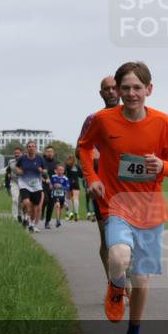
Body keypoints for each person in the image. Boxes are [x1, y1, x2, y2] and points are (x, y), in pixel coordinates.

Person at [79, 62, 168, 334]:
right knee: (119, 256)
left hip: (150, 207)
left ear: (149, 89)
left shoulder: (162, 122)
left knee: (141, 277)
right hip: (115, 204)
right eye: (125, 88)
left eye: (137, 88)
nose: (131, 93)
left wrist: (163, 167)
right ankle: (115, 284)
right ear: (117, 91)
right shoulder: (103, 120)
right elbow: (84, 148)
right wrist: (93, 179)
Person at [77, 75, 120, 276]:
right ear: (101, 93)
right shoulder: (93, 120)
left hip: (130, 187)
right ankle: (114, 282)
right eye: (106, 89)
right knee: (108, 239)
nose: (111, 91)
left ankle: (125, 276)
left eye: (114, 87)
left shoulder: (133, 117)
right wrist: (96, 156)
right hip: (103, 188)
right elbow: (82, 149)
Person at [17, 141, 46, 232]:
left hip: (36, 185)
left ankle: (31, 224)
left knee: (34, 207)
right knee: (26, 202)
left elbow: (45, 170)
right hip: (24, 184)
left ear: (35, 148)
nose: (31, 148)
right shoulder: (22, 158)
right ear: (27, 148)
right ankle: (25, 216)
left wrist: (42, 170)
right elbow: (17, 167)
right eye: (29, 146)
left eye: (33, 146)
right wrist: (19, 171)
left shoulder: (39, 159)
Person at [41, 146, 59, 230]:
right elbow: (39, 173)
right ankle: (41, 212)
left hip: (53, 186)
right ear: (45, 153)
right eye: (48, 151)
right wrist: (44, 180)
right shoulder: (42, 161)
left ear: (53, 153)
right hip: (43, 184)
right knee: (45, 200)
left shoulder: (56, 163)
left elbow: (60, 174)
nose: (49, 153)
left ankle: (47, 222)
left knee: (51, 204)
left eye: (51, 151)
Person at [63, 155, 83, 221]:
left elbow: (63, 173)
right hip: (76, 183)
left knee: (68, 198)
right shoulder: (77, 166)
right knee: (76, 198)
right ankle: (76, 213)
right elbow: (81, 175)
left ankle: (69, 213)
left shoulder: (67, 165)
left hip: (69, 182)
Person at [6, 148, 23, 221]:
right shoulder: (11, 162)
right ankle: (14, 218)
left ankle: (20, 215)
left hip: (23, 183)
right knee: (14, 199)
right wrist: (9, 174)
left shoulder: (25, 161)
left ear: (21, 153)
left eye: (18, 153)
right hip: (14, 183)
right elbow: (8, 170)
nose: (16, 154)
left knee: (21, 201)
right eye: (15, 153)